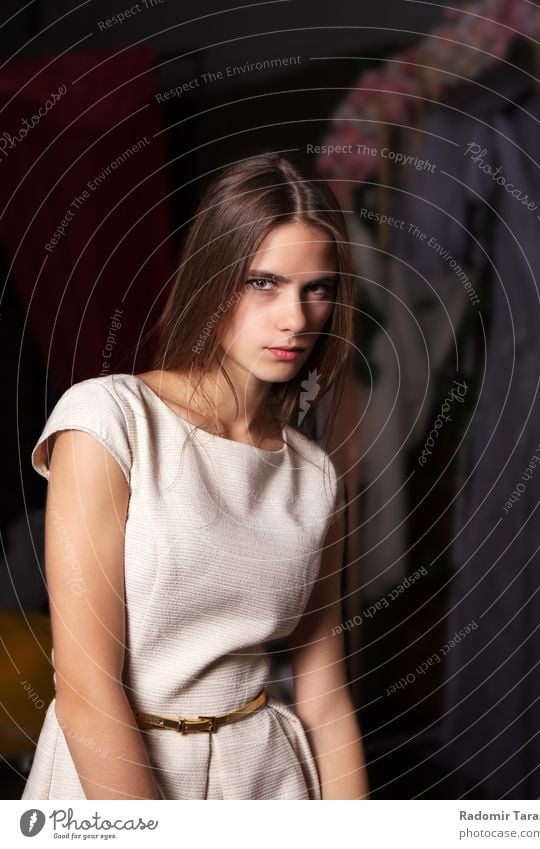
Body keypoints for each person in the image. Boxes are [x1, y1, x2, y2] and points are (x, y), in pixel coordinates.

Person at [21, 153, 369, 800]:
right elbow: (86, 688)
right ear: (214, 277)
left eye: (316, 287)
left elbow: (326, 698)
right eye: (263, 282)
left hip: (269, 779)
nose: (295, 317)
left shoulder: (313, 474)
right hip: (111, 778)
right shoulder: (109, 418)